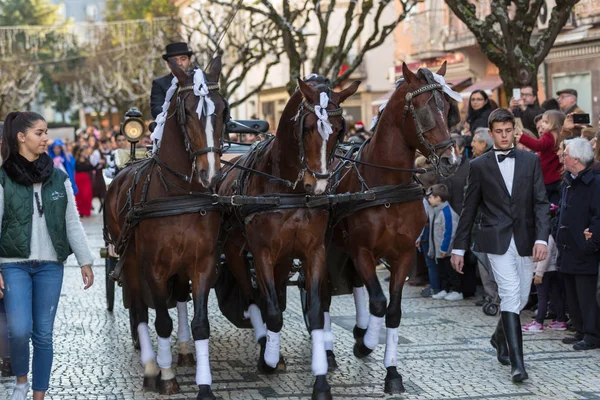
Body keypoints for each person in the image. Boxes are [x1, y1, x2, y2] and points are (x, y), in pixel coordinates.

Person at [0, 111, 94, 400]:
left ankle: (39, 395)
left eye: (46, 132)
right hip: (13, 264)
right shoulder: (3, 178)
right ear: (21, 137)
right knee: (19, 329)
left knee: (43, 334)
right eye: (40, 132)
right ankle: (20, 381)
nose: (46, 138)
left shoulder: (58, 178)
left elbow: (72, 222)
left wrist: (85, 260)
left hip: (50, 265)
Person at [451, 108, 550, 383]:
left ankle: (498, 337)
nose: (504, 136)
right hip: (495, 240)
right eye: (499, 132)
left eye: (508, 131)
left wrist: (542, 238)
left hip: (526, 238)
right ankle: (517, 364)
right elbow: (468, 209)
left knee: (518, 299)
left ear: (514, 131)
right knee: (509, 292)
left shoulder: (531, 161)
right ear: (492, 133)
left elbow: (541, 203)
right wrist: (459, 248)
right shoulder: (479, 165)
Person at [556, 138, 600, 350]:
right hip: (567, 248)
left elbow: (597, 217)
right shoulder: (568, 181)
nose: (562, 157)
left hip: (584, 250)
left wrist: (589, 242)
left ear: (575, 159)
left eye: (565, 155)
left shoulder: (594, 183)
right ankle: (580, 330)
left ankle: (592, 334)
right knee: (572, 294)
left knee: (586, 296)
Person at [515, 110, 564, 205]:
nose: (542, 125)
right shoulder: (558, 136)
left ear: (554, 124)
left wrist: (522, 137)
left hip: (547, 177)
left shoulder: (548, 136)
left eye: (546, 122)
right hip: (556, 177)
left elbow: (537, 145)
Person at [521, 233, 567, 333]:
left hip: (545, 272)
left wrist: (539, 274)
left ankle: (538, 323)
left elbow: (545, 257)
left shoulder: (545, 239)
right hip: (552, 270)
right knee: (556, 296)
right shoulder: (548, 237)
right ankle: (560, 320)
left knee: (542, 297)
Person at [427, 184, 462, 301]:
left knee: (451, 271)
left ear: (438, 198)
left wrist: (443, 249)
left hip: (446, 251)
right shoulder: (435, 211)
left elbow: (449, 233)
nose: (428, 199)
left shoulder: (447, 212)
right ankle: (445, 289)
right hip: (439, 251)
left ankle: (457, 291)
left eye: (431, 197)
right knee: (442, 271)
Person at [150, 42, 194, 119]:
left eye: (183, 59)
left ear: (189, 61)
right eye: (175, 60)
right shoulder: (159, 83)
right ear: (169, 64)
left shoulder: (200, 81)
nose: (180, 63)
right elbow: (156, 109)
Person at [74, 145, 94, 217]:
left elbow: (91, 167)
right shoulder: (76, 160)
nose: (85, 152)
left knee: (87, 194)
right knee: (79, 195)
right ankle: (80, 212)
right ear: (80, 152)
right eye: (83, 151)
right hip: (78, 178)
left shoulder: (87, 159)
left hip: (86, 178)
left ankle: (86, 211)